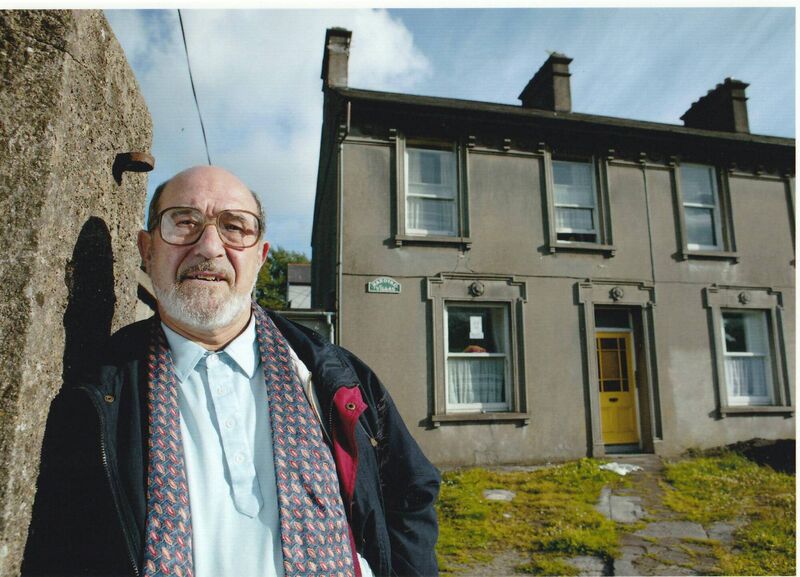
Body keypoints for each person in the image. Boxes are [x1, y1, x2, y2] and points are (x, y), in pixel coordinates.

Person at [23, 166, 440, 577]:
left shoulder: (334, 374)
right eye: (184, 222)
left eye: (234, 227)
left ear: (260, 256)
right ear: (146, 250)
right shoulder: (95, 397)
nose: (209, 247)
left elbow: (410, 493)